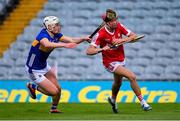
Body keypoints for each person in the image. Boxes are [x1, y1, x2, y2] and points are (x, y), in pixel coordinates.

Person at [86, 9, 152, 113]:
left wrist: (122, 40)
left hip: (121, 59)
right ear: (107, 23)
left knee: (118, 83)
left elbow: (134, 36)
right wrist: (102, 49)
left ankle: (112, 100)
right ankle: (143, 103)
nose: (115, 22)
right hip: (109, 62)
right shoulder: (101, 34)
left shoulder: (119, 26)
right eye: (113, 21)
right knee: (132, 76)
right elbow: (89, 51)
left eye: (116, 19)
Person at [25, 16, 90, 113]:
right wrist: (64, 45)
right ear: (49, 27)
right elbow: (46, 44)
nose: (59, 26)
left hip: (43, 66)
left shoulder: (56, 35)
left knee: (58, 89)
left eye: (58, 24)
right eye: (56, 25)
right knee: (53, 92)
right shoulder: (42, 35)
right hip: (34, 69)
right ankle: (32, 87)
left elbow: (71, 40)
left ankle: (53, 108)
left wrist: (83, 38)